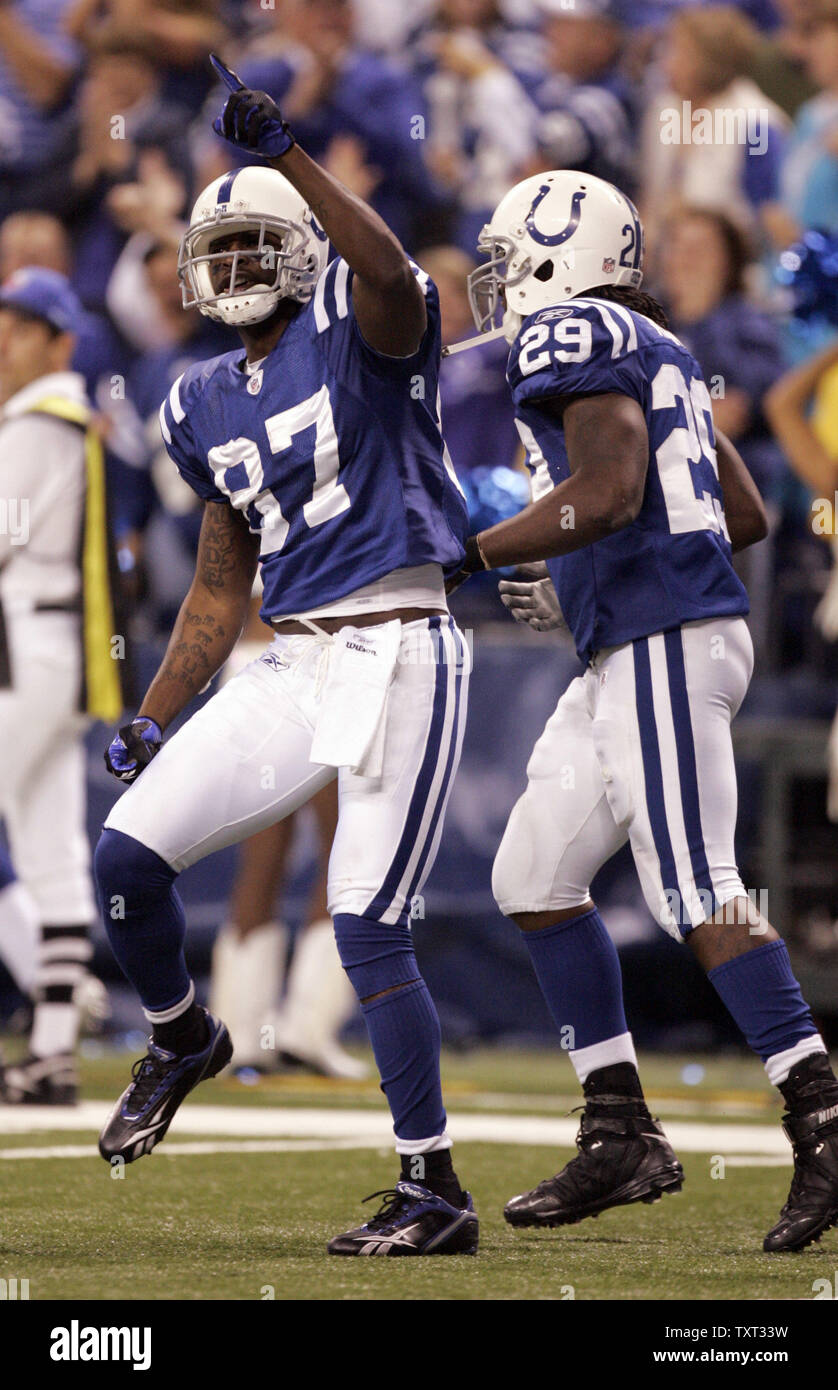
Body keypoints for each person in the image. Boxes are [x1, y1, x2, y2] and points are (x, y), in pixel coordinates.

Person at [93, 58, 478, 1258]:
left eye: (260, 242)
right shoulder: (198, 395)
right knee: (125, 862)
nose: (233, 268)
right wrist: (156, 710)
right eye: (221, 250)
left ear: (302, 246)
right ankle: (180, 1035)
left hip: (402, 645)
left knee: (365, 921)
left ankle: (433, 1188)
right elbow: (219, 583)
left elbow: (385, 267)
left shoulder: (363, 322)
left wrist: (290, 153)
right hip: (289, 656)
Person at [455, 168, 838, 1253]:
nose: (497, 288)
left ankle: (820, 1116)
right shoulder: (655, 342)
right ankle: (619, 1127)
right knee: (531, 873)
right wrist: (574, 557)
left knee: (695, 888)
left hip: (662, 639)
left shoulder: (573, 333)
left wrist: (476, 550)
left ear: (554, 257)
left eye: (505, 262)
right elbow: (744, 510)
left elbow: (612, 490)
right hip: (643, 637)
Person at [0, 267, 122, 1104]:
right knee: (50, 848)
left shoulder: (39, 417)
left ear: (58, 342)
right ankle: (51, 1053)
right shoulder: (67, 416)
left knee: (48, 844)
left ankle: (52, 1043)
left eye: (20, 327)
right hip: (52, 644)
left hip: (31, 639)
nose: (6, 342)